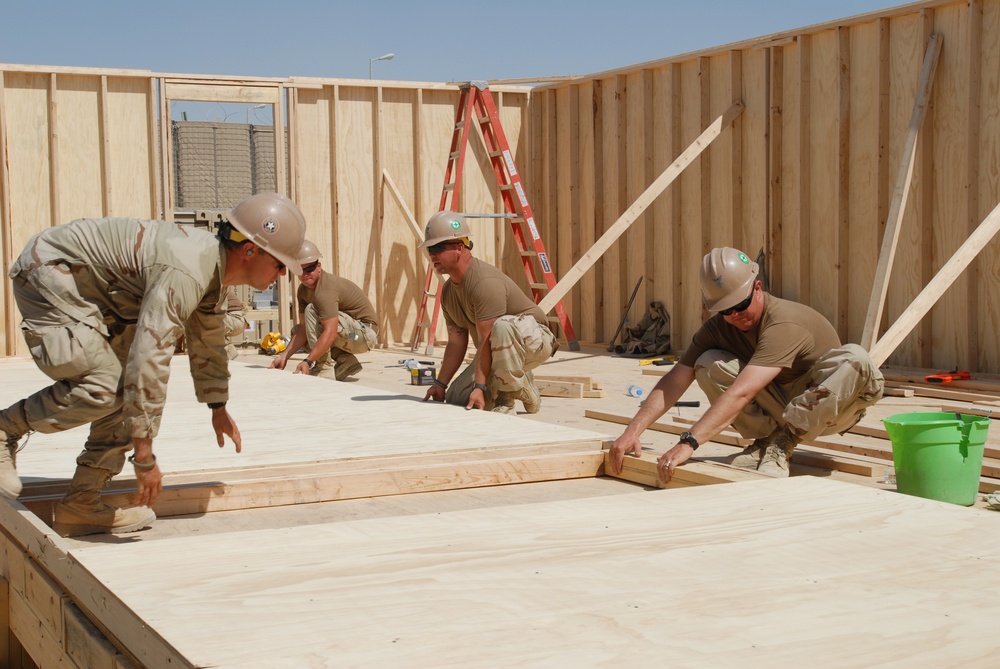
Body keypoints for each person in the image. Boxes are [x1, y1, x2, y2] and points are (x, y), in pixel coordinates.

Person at [0, 192, 307, 537]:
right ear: (250, 251)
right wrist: (144, 457)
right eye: (280, 264)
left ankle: (81, 505)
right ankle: (4, 429)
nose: (283, 275)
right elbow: (149, 358)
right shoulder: (188, 269)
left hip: (100, 296)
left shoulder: (214, 274)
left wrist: (217, 406)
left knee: (123, 396)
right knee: (104, 387)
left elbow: (208, 342)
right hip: (52, 272)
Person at [609, 247, 884, 481]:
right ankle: (766, 439)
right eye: (725, 310)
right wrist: (632, 431)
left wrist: (689, 442)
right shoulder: (716, 328)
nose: (735, 314)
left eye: (741, 305)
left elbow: (743, 392)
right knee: (708, 362)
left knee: (855, 357)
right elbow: (674, 381)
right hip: (786, 402)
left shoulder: (783, 322)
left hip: (834, 409)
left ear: (758, 288)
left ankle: (784, 442)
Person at [420, 211, 558, 413]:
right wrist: (441, 384)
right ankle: (523, 386)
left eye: (437, 248)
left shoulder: (484, 283)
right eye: (429, 249)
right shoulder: (449, 292)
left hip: (535, 341)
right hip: (499, 350)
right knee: (455, 398)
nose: (432, 254)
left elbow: (486, 337)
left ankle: (506, 399)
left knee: (500, 328)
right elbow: (456, 342)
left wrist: (480, 386)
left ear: (459, 247)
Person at [269, 240, 378, 380]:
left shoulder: (325, 289)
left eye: (309, 269)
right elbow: (303, 329)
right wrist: (284, 357)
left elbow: (331, 331)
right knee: (300, 330)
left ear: (318, 267)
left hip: (365, 336)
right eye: (299, 270)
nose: (305, 274)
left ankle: (323, 368)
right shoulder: (303, 290)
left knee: (312, 310)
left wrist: (308, 361)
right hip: (350, 332)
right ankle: (346, 362)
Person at [223, 287, 250, 360]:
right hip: (236, 319)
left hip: (236, 319)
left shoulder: (211, 289)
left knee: (205, 320)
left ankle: (227, 349)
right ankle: (226, 350)